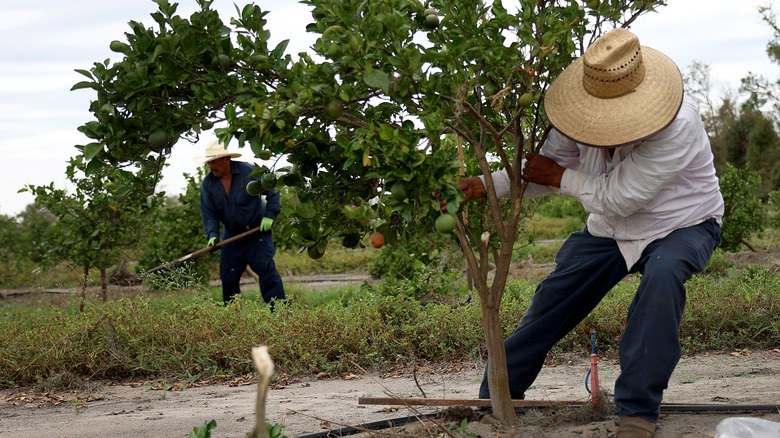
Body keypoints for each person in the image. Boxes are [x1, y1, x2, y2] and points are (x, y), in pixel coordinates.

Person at [457, 28, 723, 438]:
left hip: (681, 223)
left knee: (662, 280)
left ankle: (637, 414)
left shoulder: (677, 126)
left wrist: (560, 176)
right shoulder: (576, 115)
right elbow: (543, 171)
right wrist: (482, 185)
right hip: (611, 229)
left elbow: (618, 196)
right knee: (552, 299)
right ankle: (497, 397)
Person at [196, 139, 285, 307]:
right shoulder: (208, 184)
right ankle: (233, 319)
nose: (210, 166)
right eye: (209, 163)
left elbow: (273, 189)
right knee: (228, 278)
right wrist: (212, 235)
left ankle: (280, 314)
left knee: (267, 273)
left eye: (214, 162)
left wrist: (270, 215)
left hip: (257, 233)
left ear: (226, 159)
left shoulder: (248, 171)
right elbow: (209, 213)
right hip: (231, 236)